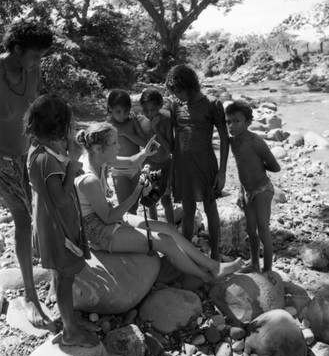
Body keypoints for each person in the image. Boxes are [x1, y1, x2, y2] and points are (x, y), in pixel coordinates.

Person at [74, 122, 242, 283]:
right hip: (96, 230)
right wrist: (138, 190)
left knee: (168, 229)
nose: (118, 146)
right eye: (114, 143)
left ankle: (214, 267)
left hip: (105, 216)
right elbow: (109, 218)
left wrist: (145, 153)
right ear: (98, 148)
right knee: (165, 241)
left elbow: (132, 161)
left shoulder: (98, 157)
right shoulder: (89, 179)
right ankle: (206, 278)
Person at [24, 94, 98, 347]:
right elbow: (60, 197)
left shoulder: (38, 147)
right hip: (58, 228)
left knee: (60, 273)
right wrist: (72, 167)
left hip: (50, 222)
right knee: (65, 278)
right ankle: (70, 333)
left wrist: (69, 146)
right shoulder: (46, 161)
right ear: (57, 126)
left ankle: (68, 319)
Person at [0, 18, 54, 325]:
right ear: (16, 49)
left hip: (23, 154)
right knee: (22, 218)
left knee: (30, 217)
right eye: (34, 56)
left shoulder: (32, 71)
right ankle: (30, 296)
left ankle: (31, 285)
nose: (38, 63)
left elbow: (37, 109)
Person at [165, 64, 229, 260]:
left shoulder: (212, 104)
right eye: (173, 92)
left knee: (210, 208)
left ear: (189, 85)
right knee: (188, 210)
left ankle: (215, 252)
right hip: (183, 166)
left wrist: (222, 172)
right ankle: (186, 252)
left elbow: (224, 139)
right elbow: (173, 137)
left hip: (205, 165)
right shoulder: (177, 106)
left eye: (178, 90)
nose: (176, 95)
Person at [225, 100, 281, 272]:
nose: (231, 126)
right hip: (247, 191)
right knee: (250, 229)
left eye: (237, 121)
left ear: (249, 122)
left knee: (263, 229)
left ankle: (268, 270)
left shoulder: (256, 142)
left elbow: (275, 167)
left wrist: (259, 167)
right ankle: (254, 263)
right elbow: (242, 169)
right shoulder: (233, 142)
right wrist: (241, 193)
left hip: (263, 189)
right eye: (228, 122)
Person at [107, 89, 146, 214]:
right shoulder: (107, 126)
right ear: (110, 109)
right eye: (118, 112)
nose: (122, 115)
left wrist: (127, 134)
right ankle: (128, 230)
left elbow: (144, 142)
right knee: (125, 206)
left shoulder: (132, 122)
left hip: (136, 168)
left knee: (134, 205)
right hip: (119, 171)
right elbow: (103, 152)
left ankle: (133, 231)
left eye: (126, 111)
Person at [139, 87, 175, 224]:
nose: (149, 114)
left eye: (153, 110)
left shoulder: (166, 119)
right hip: (148, 166)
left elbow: (170, 149)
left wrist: (156, 129)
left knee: (166, 200)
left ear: (160, 106)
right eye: (146, 110)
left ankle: (172, 230)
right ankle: (153, 229)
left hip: (164, 165)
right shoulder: (141, 120)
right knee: (150, 200)